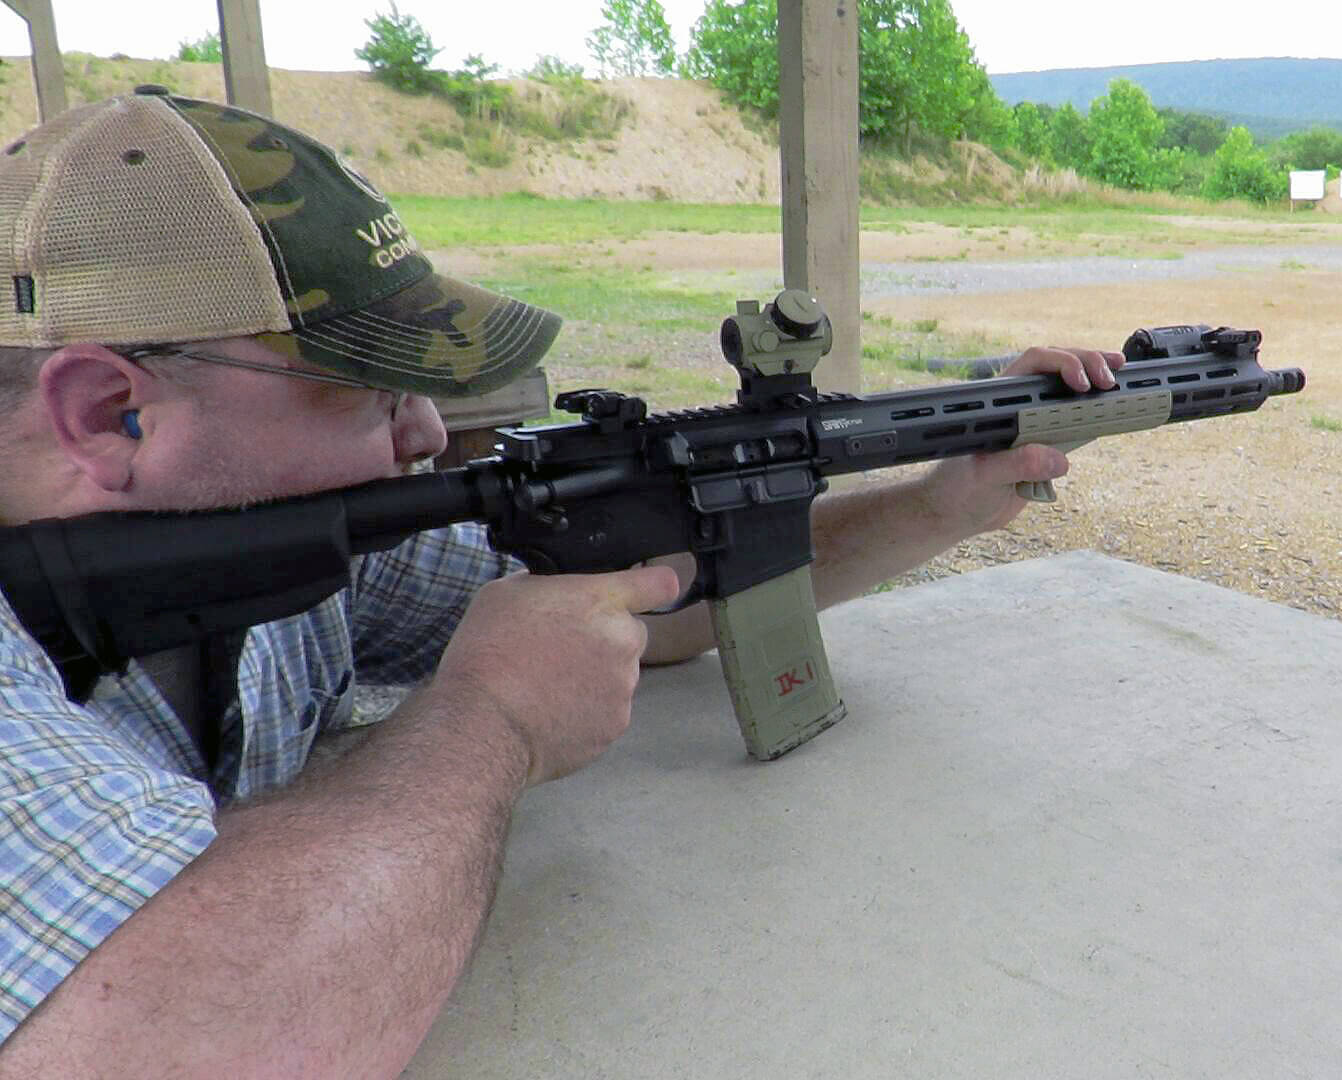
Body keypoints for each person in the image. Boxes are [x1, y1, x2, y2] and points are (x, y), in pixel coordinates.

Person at [0, 90, 1123, 1075]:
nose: (427, 430)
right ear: (109, 413)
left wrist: (940, 500)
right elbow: (171, 1045)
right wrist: (489, 725)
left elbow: (637, 601)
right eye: (372, 391)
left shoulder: (267, 528)